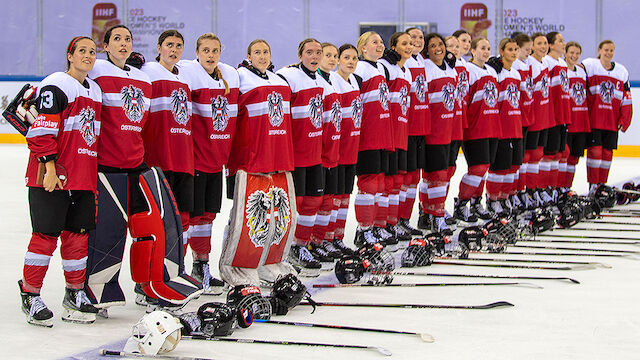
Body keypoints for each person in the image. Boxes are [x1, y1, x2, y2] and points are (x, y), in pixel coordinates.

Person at [19, 36, 102, 326]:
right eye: (82, 51)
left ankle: (74, 293)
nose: (88, 56)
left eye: (92, 52)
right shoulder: (56, 83)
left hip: (82, 177)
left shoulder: (95, 90)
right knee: (44, 236)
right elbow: (41, 133)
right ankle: (31, 294)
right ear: (70, 55)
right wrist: (49, 168)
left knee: (77, 237)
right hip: (53, 175)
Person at [84, 25, 153, 313]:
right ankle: (97, 290)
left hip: (136, 164)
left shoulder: (142, 78)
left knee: (143, 230)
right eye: (117, 39)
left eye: (128, 39)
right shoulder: (96, 70)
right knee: (107, 232)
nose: (123, 44)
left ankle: (143, 283)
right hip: (106, 166)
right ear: (106, 45)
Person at [221, 39, 299, 287]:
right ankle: (237, 263)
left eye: (266, 51)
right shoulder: (239, 76)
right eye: (257, 52)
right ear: (248, 55)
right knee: (245, 215)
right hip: (250, 158)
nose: (262, 56)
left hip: (277, 156)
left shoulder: (278, 80)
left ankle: (268, 261)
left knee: (274, 215)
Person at [140, 30, 202, 310]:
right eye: (169, 45)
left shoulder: (184, 76)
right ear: (159, 47)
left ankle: (175, 270)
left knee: (183, 220)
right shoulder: (148, 72)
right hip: (159, 161)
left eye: (179, 46)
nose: (174, 49)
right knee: (157, 224)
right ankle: (148, 281)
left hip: (183, 159)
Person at [177, 33, 239, 294]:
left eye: (215, 50)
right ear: (197, 52)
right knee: (189, 217)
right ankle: (177, 270)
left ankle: (200, 266)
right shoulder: (188, 72)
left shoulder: (227, 75)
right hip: (194, 160)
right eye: (205, 50)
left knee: (207, 217)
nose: (211, 55)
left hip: (216, 161)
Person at [276, 38, 333, 273]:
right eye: (309, 52)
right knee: (295, 203)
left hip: (315, 153)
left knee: (312, 201)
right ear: (300, 56)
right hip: (296, 154)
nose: (315, 56)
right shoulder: (288, 77)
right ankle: (285, 249)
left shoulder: (322, 80)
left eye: (318, 52)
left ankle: (302, 245)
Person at [352, 31, 395, 246]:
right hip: (367, 135)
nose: (380, 45)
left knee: (380, 182)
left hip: (382, 133)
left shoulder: (382, 67)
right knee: (368, 183)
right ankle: (364, 230)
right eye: (374, 42)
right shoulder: (359, 68)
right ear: (362, 48)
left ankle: (377, 226)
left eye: (381, 41)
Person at [455, 37, 501, 219]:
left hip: (492, 126)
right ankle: (462, 202)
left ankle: (476, 202)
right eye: (482, 48)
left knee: (485, 167)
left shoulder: (491, 70)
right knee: (477, 168)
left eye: (488, 48)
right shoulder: (468, 70)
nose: (486, 51)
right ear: (472, 51)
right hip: (475, 127)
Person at [418, 33, 458, 234]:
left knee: (444, 174)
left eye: (440, 44)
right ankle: (436, 216)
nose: (438, 48)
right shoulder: (426, 68)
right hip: (433, 131)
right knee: (436, 175)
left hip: (449, 130)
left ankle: (427, 213)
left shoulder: (450, 69)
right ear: (427, 50)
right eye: (432, 46)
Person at [378, 32, 415, 248]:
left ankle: (392, 222)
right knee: (385, 182)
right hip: (388, 132)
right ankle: (378, 225)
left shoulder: (406, 70)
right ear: (393, 46)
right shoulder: (385, 66)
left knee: (397, 181)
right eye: (404, 43)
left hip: (402, 131)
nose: (409, 47)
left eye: (410, 44)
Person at [314, 42, 351, 257]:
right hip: (320, 151)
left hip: (335, 149)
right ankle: (314, 241)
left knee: (335, 198)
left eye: (333, 55)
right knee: (321, 199)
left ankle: (331, 238)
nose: (331, 59)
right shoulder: (317, 81)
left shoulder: (335, 81)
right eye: (327, 55)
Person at [582, 40, 633, 190]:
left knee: (607, 154)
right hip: (595, 119)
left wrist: (625, 118)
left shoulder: (621, 71)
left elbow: (626, 97)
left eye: (611, 50)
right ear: (599, 50)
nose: (609, 53)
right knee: (595, 152)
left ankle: (602, 185)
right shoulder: (590, 65)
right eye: (606, 50)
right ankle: (593, 185)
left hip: (611, 120)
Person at [329, 44, 362, 254]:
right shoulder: (333, 81)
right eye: (346, 57)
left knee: (344, 195)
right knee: (333, 196)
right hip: (338, 148)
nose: (351, 61)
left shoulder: (355, 81)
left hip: (352, 147)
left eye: (354, 58)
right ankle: (326, 238)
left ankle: (338, 237)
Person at [485, 38, 523, 215]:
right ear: (501, 51)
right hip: (501, 126)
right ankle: (492, 199)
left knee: (513, 165)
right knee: (500, 166)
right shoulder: (495, 73)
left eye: (516, 49)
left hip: (515, 124)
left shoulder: (516, 74)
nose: (514, 52)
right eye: (510, 49)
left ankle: (505, 197)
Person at [402, 27, 429, 235]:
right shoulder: (402, 63)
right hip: (407, 128)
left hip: (421, 127)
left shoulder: (422, 61)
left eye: (420, 38)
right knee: (405, 177)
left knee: (414, 178)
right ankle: (398, 218)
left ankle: (406, 218)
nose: (416, 42)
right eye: (412, 38)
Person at [542, 32, 571, 202]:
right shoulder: (546, 61)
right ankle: (543, 188)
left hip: (562, 115)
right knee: (548, 154)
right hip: (551, 115)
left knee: (559, 154)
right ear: (551, 45)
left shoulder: (562, 63)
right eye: (560, 41)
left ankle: (552, 188)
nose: (563, 43)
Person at [526, 32, 554, 207]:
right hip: (533, 116)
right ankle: (526, 190)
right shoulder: (530, 63)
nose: (543, 47)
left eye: (545, 43)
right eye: (539, 44)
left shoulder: (546, 63)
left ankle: (534, 188)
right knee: (530, 155)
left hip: (544, 116)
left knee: (538, 155)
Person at [561, 41, 590, 189]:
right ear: (565, 53)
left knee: (574, 158)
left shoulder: (582, 72)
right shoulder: (562, 70)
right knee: (563, 156)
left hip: (580, 122)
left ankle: (567, 188)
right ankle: (558, 188)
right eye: (571, 52)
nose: (574, 56)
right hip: (567, 121)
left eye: (577, 53)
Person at [512, 33, 535, 209]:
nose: (529, 52)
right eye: (526, 49)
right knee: (517, 159)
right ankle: (514, 192)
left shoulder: (526, 65)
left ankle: (520, 190)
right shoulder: (515, 66)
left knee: (523, 158)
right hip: (516, 118)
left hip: (526, 117)